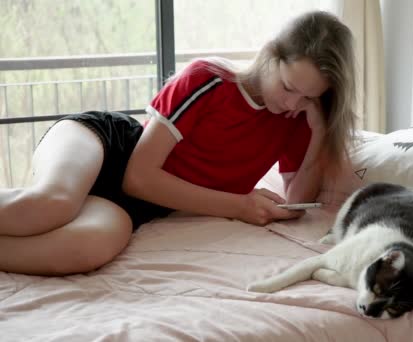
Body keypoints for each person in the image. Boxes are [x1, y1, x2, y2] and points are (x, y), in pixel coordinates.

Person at [0, 10, 357, 276]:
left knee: (85, 250)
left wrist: (320, 134)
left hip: (139, 205)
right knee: (52, 204)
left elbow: (297, 205)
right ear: (269, 56)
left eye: (309, 98)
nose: (293, 104)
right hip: (108, 145)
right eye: (289, 87)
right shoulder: (208, 79)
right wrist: (238, 205)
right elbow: (137, 176)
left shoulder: (296, 120)